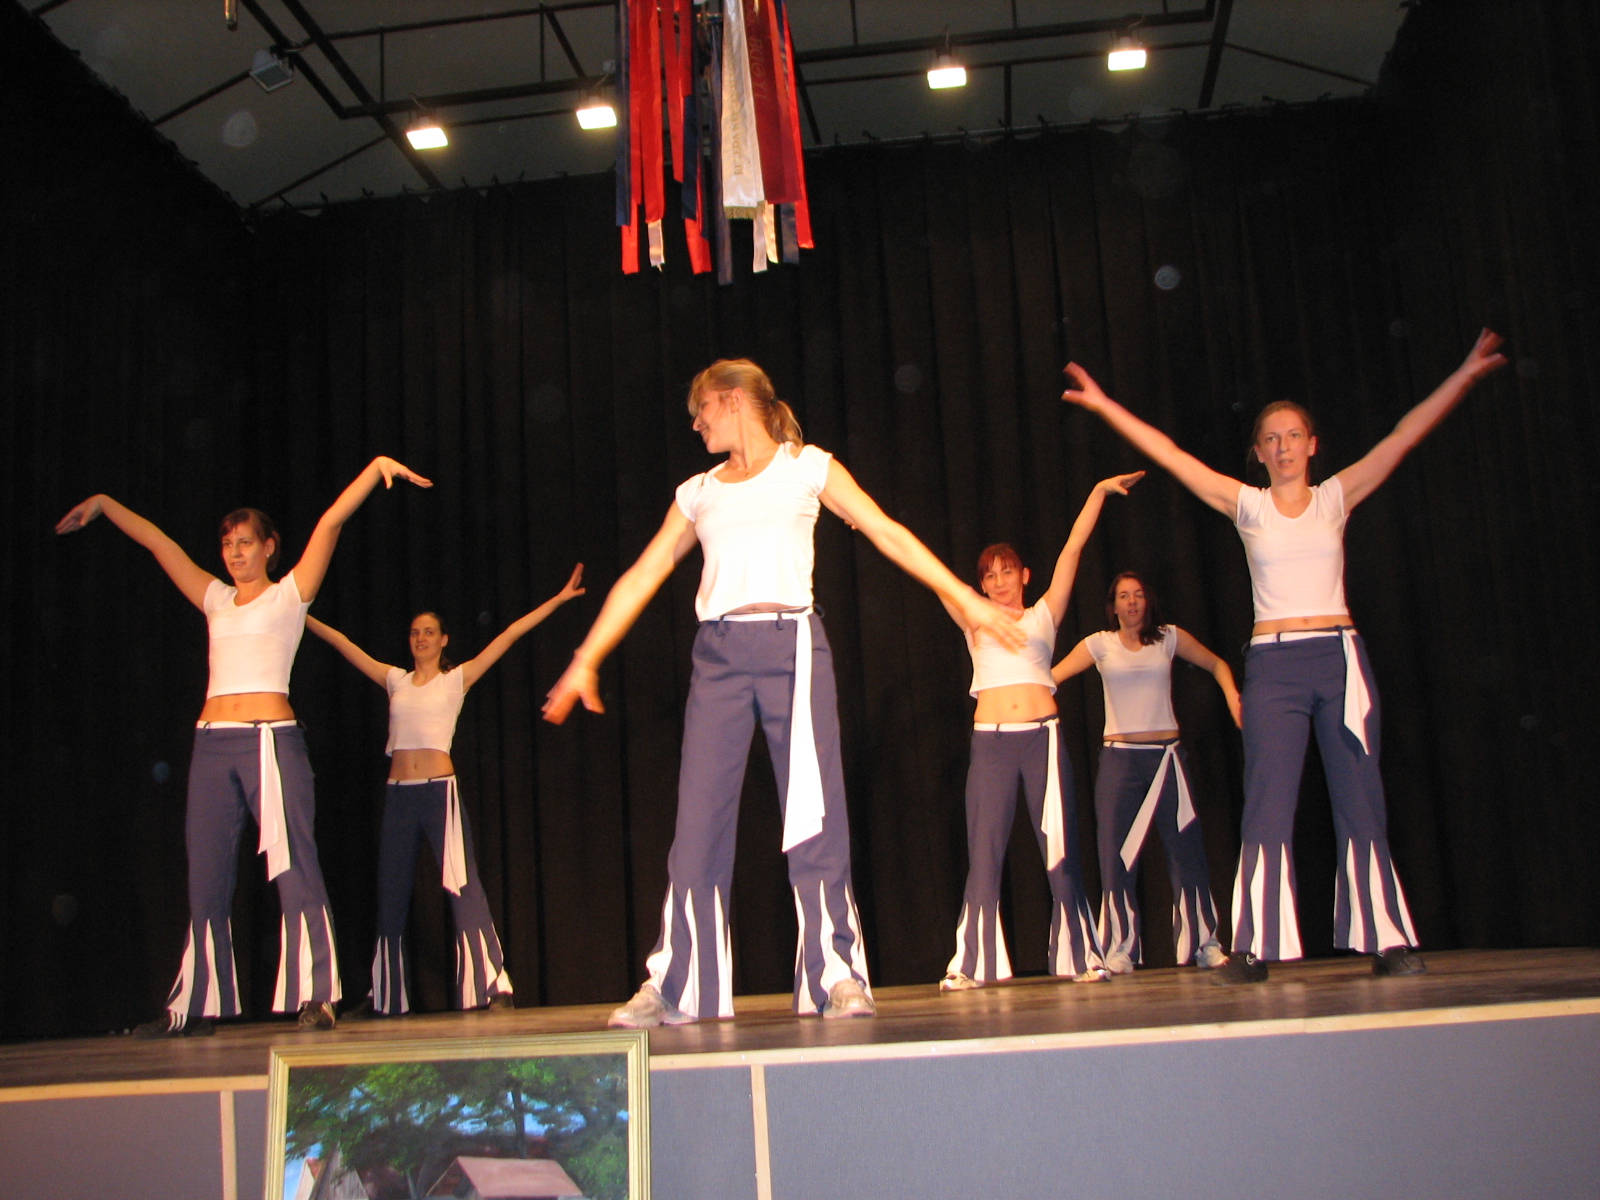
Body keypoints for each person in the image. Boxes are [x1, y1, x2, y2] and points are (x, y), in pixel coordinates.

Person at [542, 358, 1026, 1028]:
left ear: (731, 399)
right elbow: (644, 573)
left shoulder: (808, 468)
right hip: (718, 656)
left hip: (792, 647)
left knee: (813, 815)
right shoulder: (698, 492)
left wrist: (963, 597)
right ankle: (675, 983)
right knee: (696, 823)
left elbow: (886, 530)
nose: (695, 424)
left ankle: (837, 974)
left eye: (701, 410)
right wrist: (585, 657)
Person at [1061, 329, 1507, 982]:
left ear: (1312, 445)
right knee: (1267, 800)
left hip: (1340, 659)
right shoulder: (1249, 507)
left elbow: (1404, 436)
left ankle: (1386, 940)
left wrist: (1463, 374)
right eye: (1271, 439)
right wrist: (1105, 406)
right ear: (1259, 453)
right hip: (1273, 666)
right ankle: (1256, 947)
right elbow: (1172, 455)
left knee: (1360, 797)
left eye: (1293, 435)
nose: (1283, 446)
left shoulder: (1334, 498)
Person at [55, 457, 433, 1035]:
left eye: (245, 543)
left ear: (269, 548)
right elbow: (159, 544)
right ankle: (194, 1006)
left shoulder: (289, 597)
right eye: (228, 544)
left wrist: (375, 468)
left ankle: (318, 995)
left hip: (270, 742)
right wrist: (105, 504)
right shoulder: (214, 598)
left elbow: (330, 523)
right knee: (205, 874)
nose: (234, 553)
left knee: (294, 864)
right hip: (212, 745)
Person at [304, 565, 584, 1016]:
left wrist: (558, 599)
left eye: (429, 632)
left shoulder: (456, 680)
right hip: (399, 795)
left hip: (439, 794)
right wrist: (298, 612)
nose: (421, 639)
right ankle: (385, 996)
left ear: (443, 640)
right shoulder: (394, 680)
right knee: (391, 893)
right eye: (415, 633)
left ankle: (494, 988)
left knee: (462, 885)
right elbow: (342, 643)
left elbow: (510, 634)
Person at [939, 474, 1145, 992]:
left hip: (1042, 740)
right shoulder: (974, 620)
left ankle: (1082, 955)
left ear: (1024, 575)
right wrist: (867, 525)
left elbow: (1073, 548)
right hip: (991, 741)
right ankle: (971, 964)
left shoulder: (1043, 616)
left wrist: (1097, 493)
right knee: (984, 851)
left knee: (1060, 848)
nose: (999, 582)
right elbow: (933, 576)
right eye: (990, 576)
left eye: (1007, 571)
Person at [1052, 571, 1240, 975]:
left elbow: (1216, 663)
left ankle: (1204, 943)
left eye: (1138, 595)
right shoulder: (1099, 644)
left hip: (1168, 759)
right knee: (1115, 856)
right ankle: (1119, 948)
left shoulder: (1168, 638)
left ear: (1147, 601)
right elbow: (1050, 679)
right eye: (1124, 596)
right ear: (1113, 605)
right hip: (1120, 760)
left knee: (1187, 852)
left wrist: (1232, 695)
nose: (1132, 602)